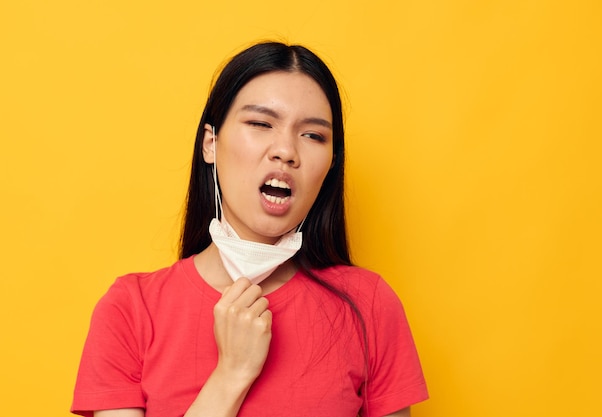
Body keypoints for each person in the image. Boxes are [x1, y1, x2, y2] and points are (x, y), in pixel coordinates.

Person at [71, 41, 428, 417]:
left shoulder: (368, 305)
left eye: (313, 135)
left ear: (330, 165)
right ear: (211, 143)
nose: (286, 151)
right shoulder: (130, 309)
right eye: (260, 124)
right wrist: (231, 375)